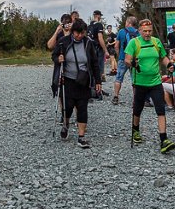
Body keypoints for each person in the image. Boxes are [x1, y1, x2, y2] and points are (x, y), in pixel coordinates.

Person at [125, 19, 175, 153]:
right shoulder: (134, 43)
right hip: (140, 82)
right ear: (140, 31)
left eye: (149, 31)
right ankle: (135, 130)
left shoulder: (156, 42)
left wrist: (169, 64)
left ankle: (164, 139)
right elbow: (127, 60)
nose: (147, 33)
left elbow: (163, 57)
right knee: (137, 109)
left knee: (160, 109)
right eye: (145, 31)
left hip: (155, 82)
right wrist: (133, 64)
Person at [52, 19, 102, 148]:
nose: (79, 35)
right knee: (67, 107)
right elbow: (54, 55)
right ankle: (65, 125)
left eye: (82, 33)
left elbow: (95, 63)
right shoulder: (64, 41)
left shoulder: (88, 43)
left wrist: (98, 81)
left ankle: (81, 137)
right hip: (67, 80)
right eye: (77, 33)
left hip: (83, 81)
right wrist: (58, 59)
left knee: (82, 108)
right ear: (72, 31)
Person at [112, 16, 140, 105]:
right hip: (134, 60)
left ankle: (116, 97)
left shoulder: (121, 31)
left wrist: (119, 55)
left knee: (119, 78)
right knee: (134, 79)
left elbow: (116, 45)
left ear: (129, 22)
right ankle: (135, 99)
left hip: (123, 58)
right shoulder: (138, 33)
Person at [88, 11, 109, 99]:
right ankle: (97, 90)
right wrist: (105, 50)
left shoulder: (89, 26)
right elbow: (100, 38)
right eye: (100, 16)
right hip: (97, 49)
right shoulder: (99, 25)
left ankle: (92, 89)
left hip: (89, 49)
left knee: (91, 69)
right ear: (98, 16)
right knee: (98, 70)